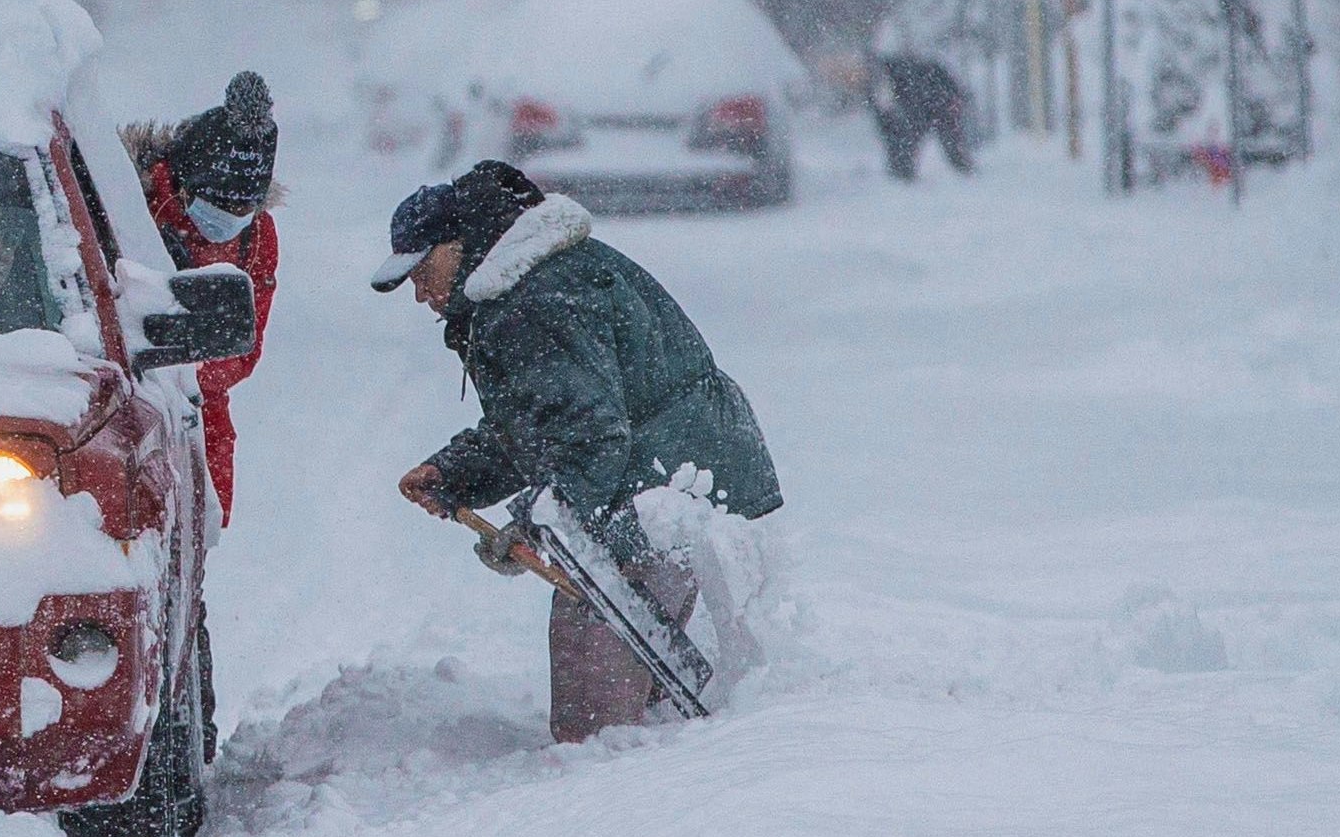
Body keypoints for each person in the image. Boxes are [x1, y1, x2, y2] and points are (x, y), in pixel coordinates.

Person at [372, 160, 782, 742]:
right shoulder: (533, 281)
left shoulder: (534, 300)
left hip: (662, 492)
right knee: (648, 708)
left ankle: (627, 813)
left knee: (593, 727)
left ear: (461, 244)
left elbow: (591, 435)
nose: (418, 295)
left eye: (422, 272)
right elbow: (547, 422)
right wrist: (455, 474)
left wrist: (536, 525)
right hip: (682, 478)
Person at [134, 72, 281, 519]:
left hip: (201, 415)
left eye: (243, 209)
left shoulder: (256, 238)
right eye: (220, 205)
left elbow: (243, 349)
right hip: (134, 404)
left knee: (200, 527)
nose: (229, 219)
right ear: (183, 184)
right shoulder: (130, 207)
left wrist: (189, 375)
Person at [871, 53, 975, 180]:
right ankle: (902, 173)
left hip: (918, 108)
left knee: (904, 141)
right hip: (920, 108)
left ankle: (902, 173)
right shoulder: (926, 76)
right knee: (905, 141)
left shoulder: (904, 74)